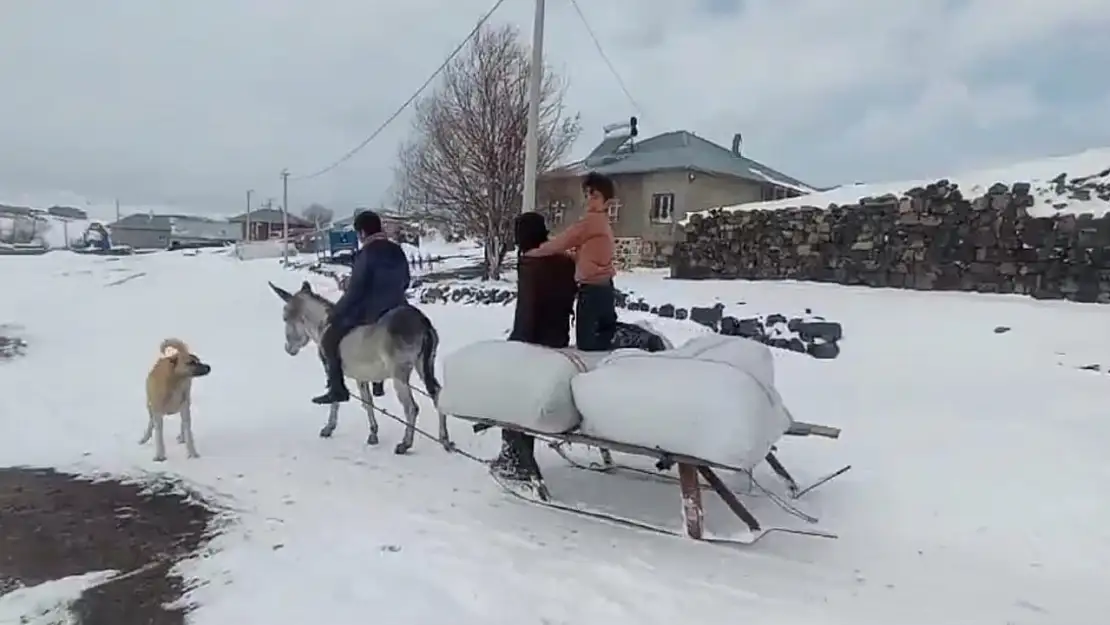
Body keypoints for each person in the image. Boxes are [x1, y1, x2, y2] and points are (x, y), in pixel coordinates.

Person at [491, 211, 578, 483]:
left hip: (533, 343)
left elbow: (527, 310)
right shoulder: (564, 261)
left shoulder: (531, 262)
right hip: (559, 339)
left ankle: (517, 459)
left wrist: (516, 344)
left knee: (512, 397)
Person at [312, 211, 411, 405]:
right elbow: (406, 280)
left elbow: (355, 293)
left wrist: (335, 313)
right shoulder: (396, 249)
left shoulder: (366, 254)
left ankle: (337, 389)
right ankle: (378, 383)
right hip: (399, 306)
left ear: (363, 232)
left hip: (372, 311)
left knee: (329, 339)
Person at [525, 171, 618, 351]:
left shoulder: (590, 223)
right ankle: (627, 338)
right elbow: (590, 256)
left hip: (592, 291)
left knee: (587, 343)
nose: (589, 199)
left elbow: (562, 241)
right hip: (604, 287)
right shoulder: (603, 223)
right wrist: (571, 256)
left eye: (595, 195)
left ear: (607, 202)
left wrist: (535, 253)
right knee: (605, 332)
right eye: (587, 194)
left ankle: (633, 339)